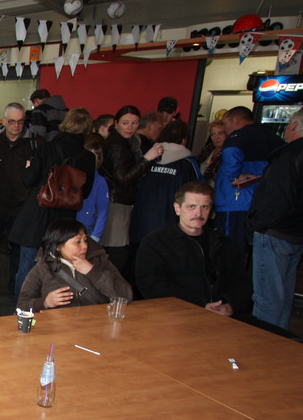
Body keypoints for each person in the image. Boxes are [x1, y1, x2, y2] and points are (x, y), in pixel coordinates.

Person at [10, 108, 97, 298]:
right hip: (65, 220)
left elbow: (29, 179)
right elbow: (86, 192)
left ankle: (22, 309)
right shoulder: (88, 157)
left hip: (37, 215)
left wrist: (28, 168)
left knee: (27, 269)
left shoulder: (46, 148)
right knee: (58, 271)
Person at [136, 181, 252, 317]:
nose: (198, 213)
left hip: (222, 316)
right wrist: (200, 305)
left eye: (205, 207)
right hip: (173, 316)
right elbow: (152, 286)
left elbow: (242, 283)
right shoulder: (155, 243)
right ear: (177, 208)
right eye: (192, 206)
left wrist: (231, 305)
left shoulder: (225, 244)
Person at [247, 109, 303, 330]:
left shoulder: (288, 155)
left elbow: (281, 198)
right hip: (296, 234)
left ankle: (263, 346)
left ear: (293, 126)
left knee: (268, 298)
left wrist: (258, 224)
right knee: (283, 298)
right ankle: (279, 343)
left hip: (275, 232)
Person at [0, 102, 42, 294]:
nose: (17, 125)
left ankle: (16, 286)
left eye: (20, 121)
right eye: (13, 121)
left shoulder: (34, 144)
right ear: (4, 121)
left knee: (18, 250)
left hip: (21, 206)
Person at [99, 105, 165, 272]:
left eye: (134, 123)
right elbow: (123, 179)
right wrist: (146, 159)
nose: (130, 127)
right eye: (125, 123)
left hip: (117, 199)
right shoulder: (117, 145)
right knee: (116, 251)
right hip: (116, 201)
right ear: (116, 123)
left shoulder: (126, 142)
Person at [17, 219, 132, 313]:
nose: (85, 246)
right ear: (58, 246)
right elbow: (22, 307)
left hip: (96, 325)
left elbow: (126, 296)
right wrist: (45, 303)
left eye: (85, 240)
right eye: (78, 242)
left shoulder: (99, 261)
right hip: (59, 328)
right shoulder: (43, 268)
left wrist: (92, 271)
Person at [215, 106, 283, 252]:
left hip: (235, 201)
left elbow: (231, 154)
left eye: (225, 124)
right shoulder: (274, 139)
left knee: (229, 250)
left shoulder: (238, 136)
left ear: (237, 120)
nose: (225, 129)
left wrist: (234, 177)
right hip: (260, 203)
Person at [129, 120, 202, 246]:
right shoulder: (189, 165)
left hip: (140, 224)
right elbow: (198, 195)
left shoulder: (146, 158)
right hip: (171, 228)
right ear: (184, 140)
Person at [77, 134, 109, 242]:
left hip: (87, 230)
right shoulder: (74, 176)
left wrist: (96, 236)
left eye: (95, 157)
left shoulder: (100, 181)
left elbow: (103, 211)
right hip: (70, 227)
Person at [197, 120, 226, 185]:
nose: (217, 137)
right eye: (213, 134)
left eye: (220, 133)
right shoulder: (207, 150)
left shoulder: (228, 154)